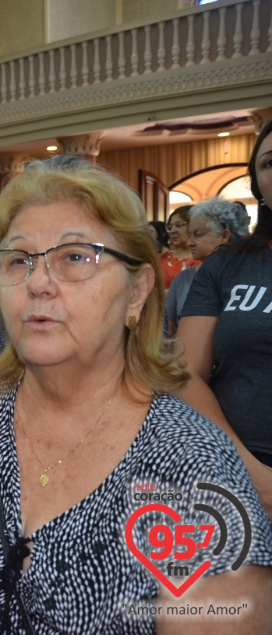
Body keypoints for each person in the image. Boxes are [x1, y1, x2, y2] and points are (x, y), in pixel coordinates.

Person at [0, 158, 272, 633]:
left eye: (76, 257)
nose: (38, 282)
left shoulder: (189, 466)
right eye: (19, 260)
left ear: (138, 290)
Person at [176, 121, 272, 519]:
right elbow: (185, 371)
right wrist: (256, 477)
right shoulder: (227, 265)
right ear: (258, 188)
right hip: (236, 469)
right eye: (269, 163)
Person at [164, 199, 250, 335]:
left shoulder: (251, 276)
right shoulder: (183, 279)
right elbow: (169, 330)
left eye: (198, 234)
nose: (190, 243)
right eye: (190, 235)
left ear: (224, 236)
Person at [160, 205, 199, 288]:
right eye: (170, 227)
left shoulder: (204, 261)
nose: (172, 231)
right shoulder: (160, 259)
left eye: (179, 225)